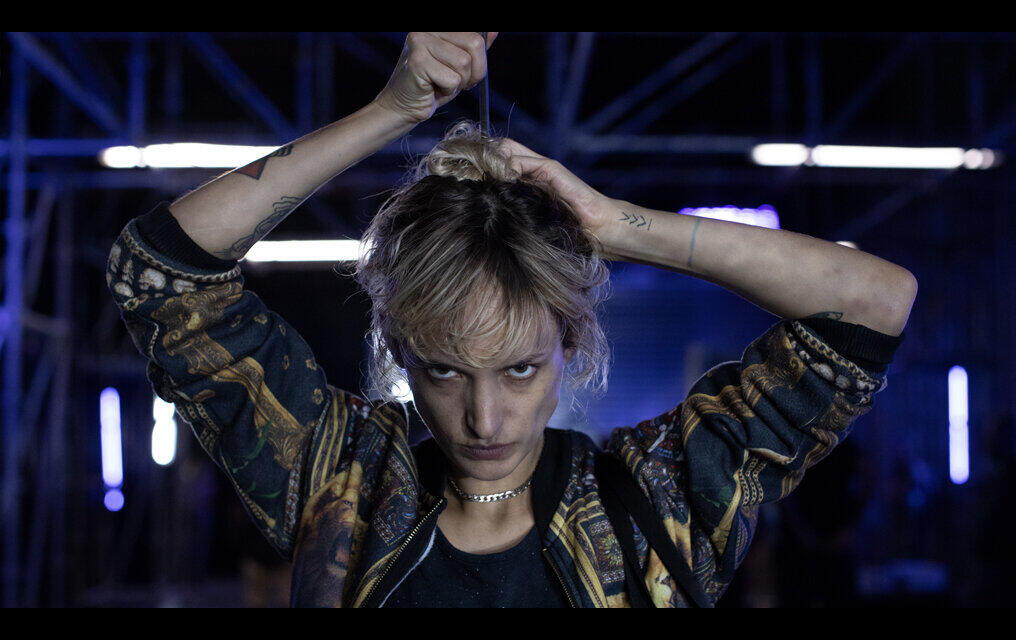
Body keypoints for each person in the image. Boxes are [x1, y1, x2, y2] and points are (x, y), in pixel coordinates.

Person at [106, 32, 916, 607]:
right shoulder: (343, 489)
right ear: (398, 351)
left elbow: (876, 302)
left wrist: (617, 225)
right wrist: (391, 111)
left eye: (520, 369)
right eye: (444, 370)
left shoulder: (653, 506)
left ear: (570, 344)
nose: (484, 420)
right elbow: (161, 271)